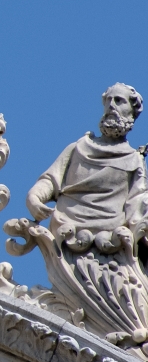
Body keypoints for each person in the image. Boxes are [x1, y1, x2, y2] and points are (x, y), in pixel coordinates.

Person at [27, 83, 148, 250]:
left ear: (132, 112)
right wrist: (34, 198)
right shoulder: (79, 147)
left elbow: (138, 203)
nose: (111, 105)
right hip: (66, 229)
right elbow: (50, 179)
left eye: (119, 100)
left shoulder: (134, 160)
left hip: (112, 240)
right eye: (108, 100)